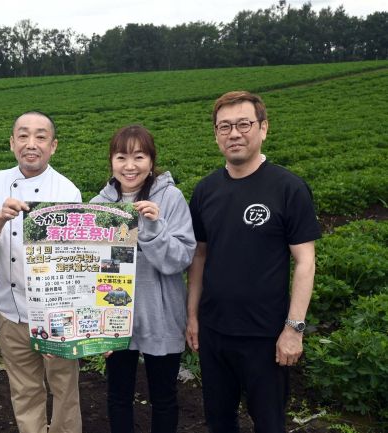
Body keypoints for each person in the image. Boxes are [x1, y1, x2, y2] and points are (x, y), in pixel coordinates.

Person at [186, 91, 321, 433]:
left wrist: (294, 328)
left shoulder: (288, 188)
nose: (234, 133)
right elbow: (199, 256)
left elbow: (305, 262)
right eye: (224, 126)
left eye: (244, 124)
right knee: (219, 419)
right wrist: (192, 316)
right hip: (215, 331)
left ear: (263, 129)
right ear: (216, 135)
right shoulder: (206, 190)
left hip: (266, 334)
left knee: (269, 422)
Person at [0, 111, 82, 433]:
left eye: (41, 137)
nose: (31, 144)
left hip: (56, 313)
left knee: (64, 389)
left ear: (53, 145)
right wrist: (0, 216)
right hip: (11, 309)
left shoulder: (67, 191)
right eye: (23, 136)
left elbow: (75, 259)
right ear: (12, 143)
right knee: (24, 389)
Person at [91, 125, 196, 433]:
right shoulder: (99, 205)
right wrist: (93, 324)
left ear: (152, 161)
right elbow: (90, 270)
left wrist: (153, 227)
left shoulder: (171, 198)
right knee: (118, 396)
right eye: (121, 156)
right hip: (115, 316)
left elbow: (179, 259)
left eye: (139, 156)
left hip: (160, 313)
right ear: (111, 161)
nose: (130, 165)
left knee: (163, 397)